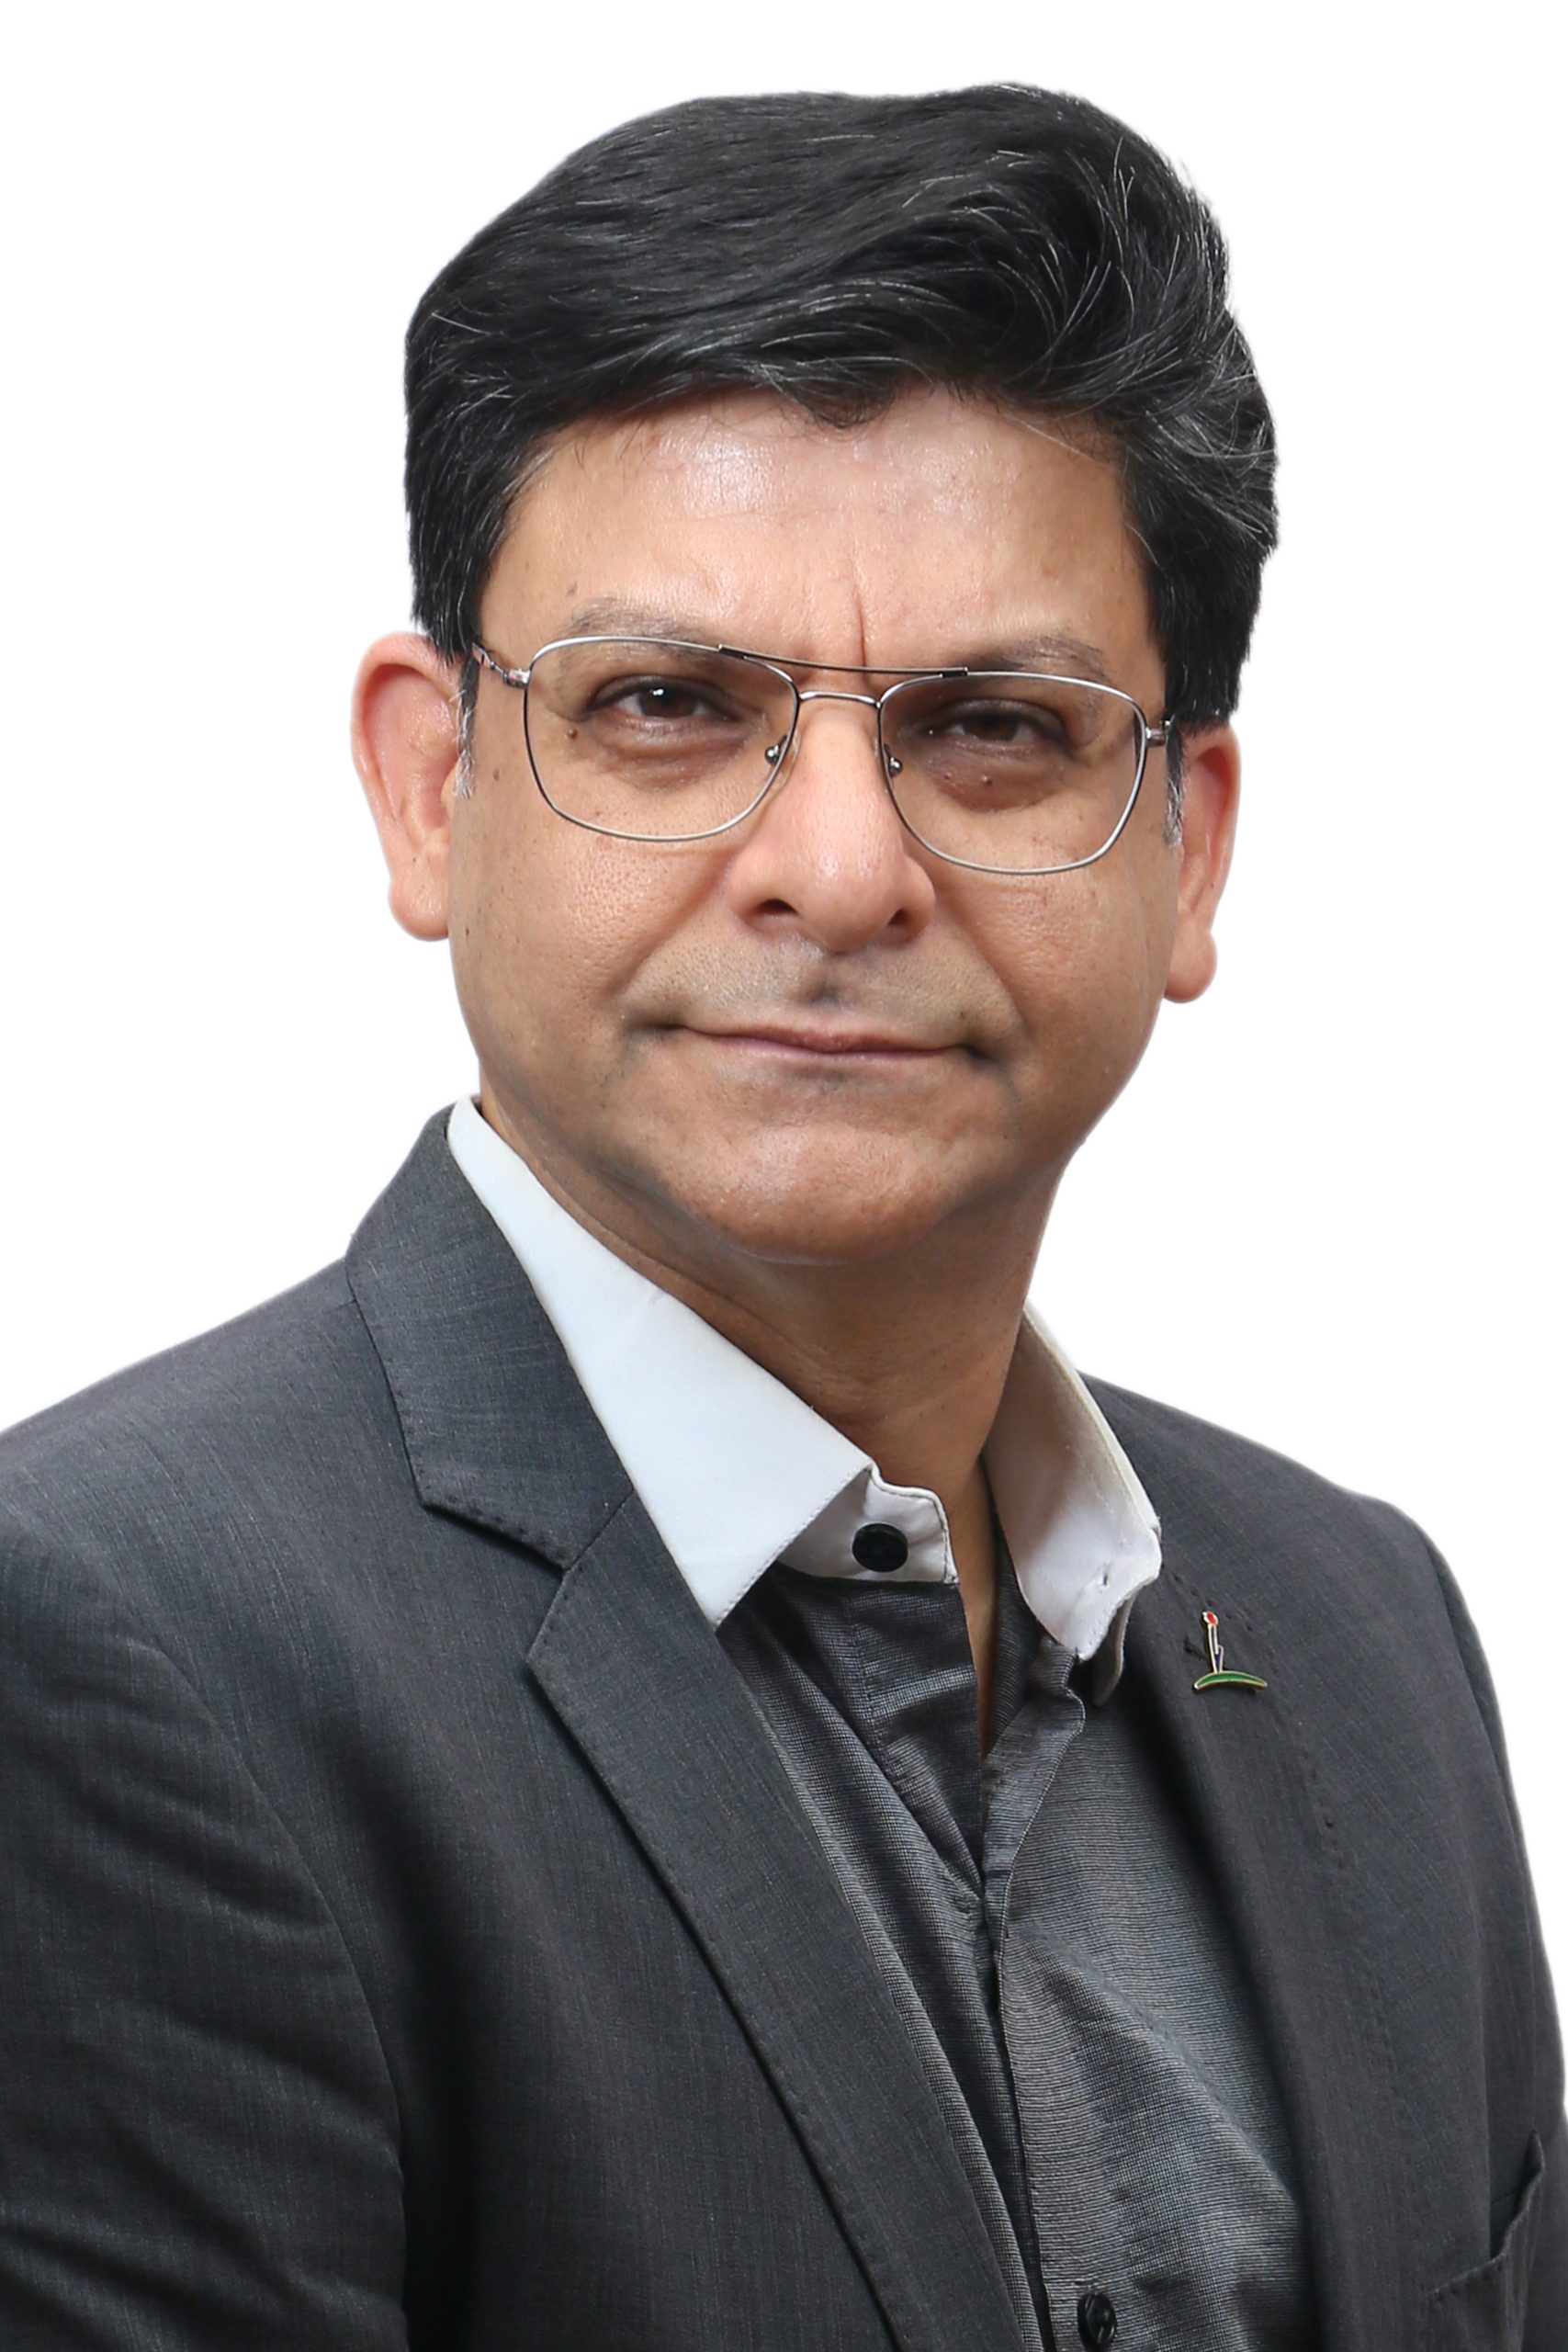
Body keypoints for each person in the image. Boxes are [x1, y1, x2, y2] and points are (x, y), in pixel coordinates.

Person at [1, 82, 1560, 2352]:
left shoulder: (1359, 1626)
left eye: (991, 724)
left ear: (1187, 843)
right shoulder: (105, 1650)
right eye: (665, 703)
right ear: (430, 784)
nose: (836, 869)